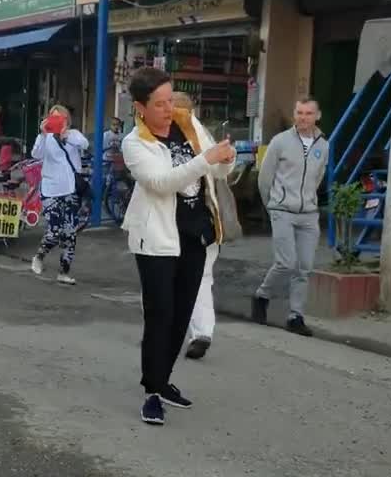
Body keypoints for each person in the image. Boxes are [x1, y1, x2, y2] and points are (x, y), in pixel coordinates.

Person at [121, 68, 235, 426]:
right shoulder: (135, 143)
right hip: (156, 240)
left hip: (195, 234)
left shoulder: (188, 124)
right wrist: (207, 159)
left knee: (182, 315)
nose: (169, 108)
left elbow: (214, 174)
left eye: (171, 99)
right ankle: (151, 392)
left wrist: (225, 160)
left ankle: (164, 380)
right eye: (159, 103)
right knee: (160, 317)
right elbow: (161, 182)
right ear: (140, 107)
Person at [172, 94, 243, 360]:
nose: (181, 116)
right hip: (165, 221)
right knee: (164, 278)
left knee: (201, 277)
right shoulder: (149, 136)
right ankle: (166, 330)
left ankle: (201, 334)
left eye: (184, 111)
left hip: (201, 217)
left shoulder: (200, 133)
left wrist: (226, 159)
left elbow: (220, 172)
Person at [253, 97, 329, 337]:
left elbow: (318, 177)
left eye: (308, 113)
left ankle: (295, 316)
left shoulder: (323, 145)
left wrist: (309, 200)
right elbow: (265, 178)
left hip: (308, 214)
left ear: (317, 116)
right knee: (286, 262)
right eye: (299, 112)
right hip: (282, 210)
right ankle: (262, 296)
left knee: (304, 267)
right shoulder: (280, 142)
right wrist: (272, 205)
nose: (303, 117)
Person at [29, 105, 89, 285]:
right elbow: (36, 154)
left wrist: (66, 136)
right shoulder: (45, 138)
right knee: (54, 230)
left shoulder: (73, 135)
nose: (57, 121)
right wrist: (42, 133)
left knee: (70, 232)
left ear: (67, 120)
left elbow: (84, 144)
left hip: (70, 189)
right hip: (50, 190)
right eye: (53, 118)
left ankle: (64, 271)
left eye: (60, 118)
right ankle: (39, 256)